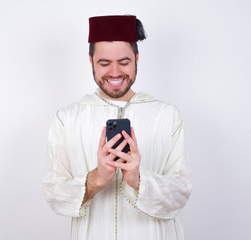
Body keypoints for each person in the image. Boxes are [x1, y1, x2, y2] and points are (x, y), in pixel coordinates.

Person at [43, 15, 192, 240]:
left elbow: (181, 191)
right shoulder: (67, 119)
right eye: (104, 63)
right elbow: (54, 193)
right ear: (90, 60)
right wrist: (97, 179)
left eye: (124, 62)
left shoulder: (165, 116)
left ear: (137, 58)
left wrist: (137, 180)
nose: (114, 73)